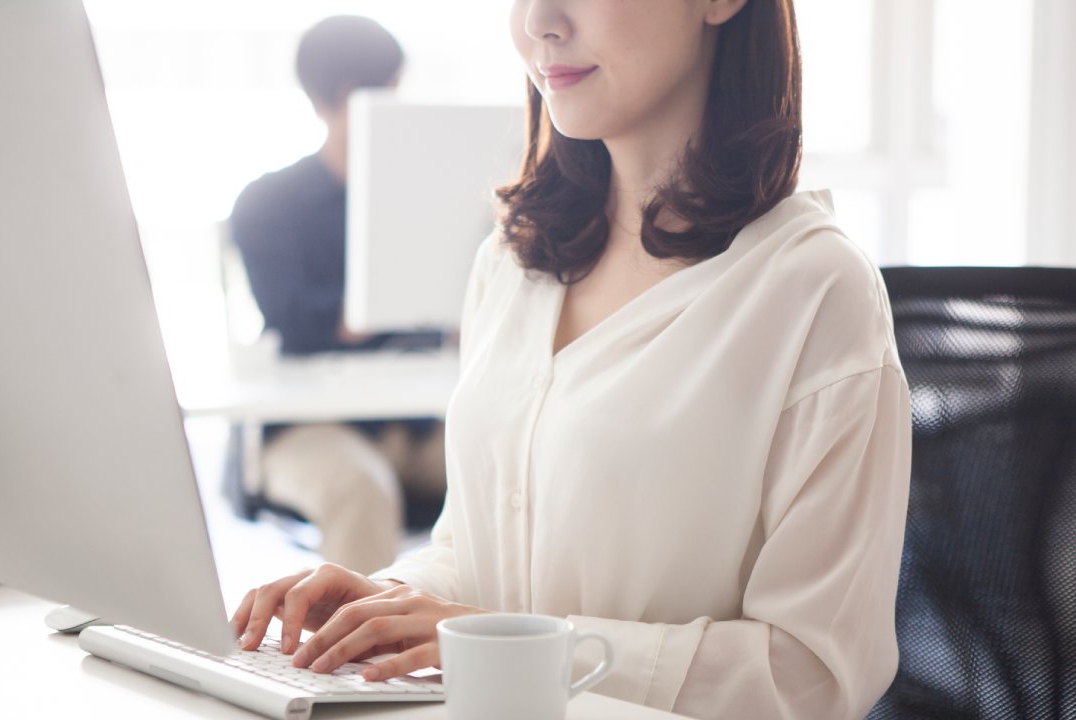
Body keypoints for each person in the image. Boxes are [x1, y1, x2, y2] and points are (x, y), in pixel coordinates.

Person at [232, 2, 913, 719]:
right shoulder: (510, 262)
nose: (538, 22)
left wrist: (514, 647)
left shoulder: (814, 290)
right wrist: (391, 601)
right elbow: (483, 546)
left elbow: (812, 678)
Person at [227, 16, 446, 574]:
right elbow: (294, 318)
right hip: (306, 427)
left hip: (415, 420)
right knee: (359, 491)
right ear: (354, 94)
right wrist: (383, 305)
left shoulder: (420, 200)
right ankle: (355, 655)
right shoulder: (267, 203)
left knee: (514, 466)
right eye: (393, 91)